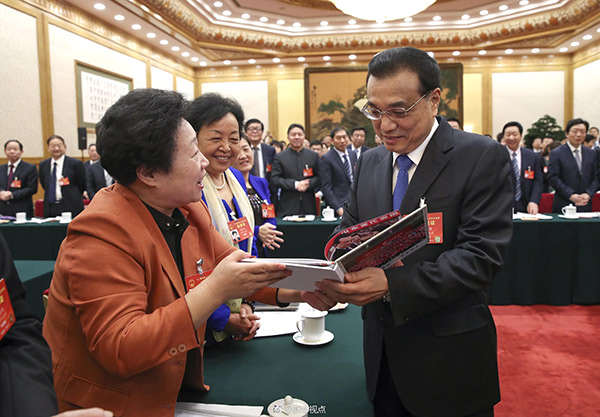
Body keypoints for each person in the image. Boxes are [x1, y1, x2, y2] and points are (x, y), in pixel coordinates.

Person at [42, 89, 313, 416]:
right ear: (148, 172)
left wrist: (303, 289)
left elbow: (237, 266)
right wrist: (216, 290)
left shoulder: (187, 209)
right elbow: (121, 347)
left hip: (172, 385)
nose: (205, 162)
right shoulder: (100, 233)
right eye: (194, 152)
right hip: (111, 404)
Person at [313, 47, 513, 417]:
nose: (384, 126)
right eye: (374, 111)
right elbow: (349, 231)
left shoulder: (480, 156)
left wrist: (391, 284)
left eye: (399, 111)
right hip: (382, 354)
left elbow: (480, 257)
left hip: (449, 358)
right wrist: (333, 273)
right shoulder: (370, 160)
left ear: (434, 100)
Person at [185, 93, 308, 345]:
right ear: (192, 138)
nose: (226, 147)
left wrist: (246, 303)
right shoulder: (188, 190)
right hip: (201, 321)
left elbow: (247, 250)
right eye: (216, 138)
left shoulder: (236, 180)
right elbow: (188, 267)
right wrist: (223, 319)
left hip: (240, 304)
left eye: (233, 139)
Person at [233, 136, 284, 257]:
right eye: (237, 152)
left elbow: (269, 213)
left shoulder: (260, 182)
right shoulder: (226, 186)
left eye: (246, 149)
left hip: (262, 249)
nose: (243, 156)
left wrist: (268, 228)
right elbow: (227, 226)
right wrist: (257, 231)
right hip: (241, 252)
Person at [548, 118, 597, 213]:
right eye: (575, 131)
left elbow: (596, 177)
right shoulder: (556, 153)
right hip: (564, 203)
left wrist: (588, 194)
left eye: (582, 132)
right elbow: (553, 178)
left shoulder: (591, 153)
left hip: (585, 204)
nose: (579, 135)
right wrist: (571, 195)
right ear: (567, 133)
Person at [271, 123, 320, 217]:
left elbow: (319, 177)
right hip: (287, 206)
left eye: (299, 134)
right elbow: (275, 179)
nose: (297, 137)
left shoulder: (313, 156)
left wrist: (308, 183)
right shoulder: (280, 157)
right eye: (293, 135)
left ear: (304, 137)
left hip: (309, 205)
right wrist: (295, 184)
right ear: (288, 137)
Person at [39, 135, 87, 218]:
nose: (56, 148)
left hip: (71, 205)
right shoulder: (43, 165)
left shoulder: (75, 164)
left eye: (59, 145)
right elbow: (44, 184)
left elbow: (82, 184)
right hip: (51, 207)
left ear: (64, 147)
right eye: (53, 146)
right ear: (48, 148)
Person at [502, 121, 543, 214]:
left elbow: (538, 181)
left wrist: (534, 201)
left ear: (520, 136)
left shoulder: (532, 156)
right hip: (503, 206)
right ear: (504, 137)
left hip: (527, 205)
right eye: (508, 135)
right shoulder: (497, 155)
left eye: (514, 134)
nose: (511, 138)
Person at [319, 127, 357, 217]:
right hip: (339, 206)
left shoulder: (352, 154)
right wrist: (338, 208)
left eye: (344, 137)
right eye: (338, 138)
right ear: (332, 141)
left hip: (354, 204)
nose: (342, 141)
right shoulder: (326, 158)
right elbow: (326, 187)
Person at [0, 139, 38, 217]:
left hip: (21, 209)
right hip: (3, 210)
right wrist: (1, 192)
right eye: (9, 149)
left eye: (15, 149)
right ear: (5, 151)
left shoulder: (30, 168)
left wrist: (12, 195)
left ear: (21, 151)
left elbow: (32, 188)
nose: (12, 151)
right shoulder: (1, 168)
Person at [244, 118, 275, 184]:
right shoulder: (241, 151)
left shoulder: (270, 150)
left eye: (258, 129)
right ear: (245, 132)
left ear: (262, 132)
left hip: (266, 187)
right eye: (251, 129)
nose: (255, 131)